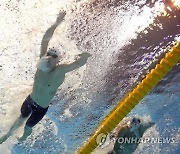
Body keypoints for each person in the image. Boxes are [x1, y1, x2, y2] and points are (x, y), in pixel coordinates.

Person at [0, 11, 91, 144]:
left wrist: (85, 57)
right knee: (20, 118)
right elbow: (45, 39)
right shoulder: (41, 63)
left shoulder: (60, 70)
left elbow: (77, 64)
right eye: (49, 54)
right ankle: (7, 135)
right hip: (30, 100)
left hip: (41, 109)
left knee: (27, 127)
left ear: (57, 61)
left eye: (54, 56)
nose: (49, 57)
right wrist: (57, 22)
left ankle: (24, 137)